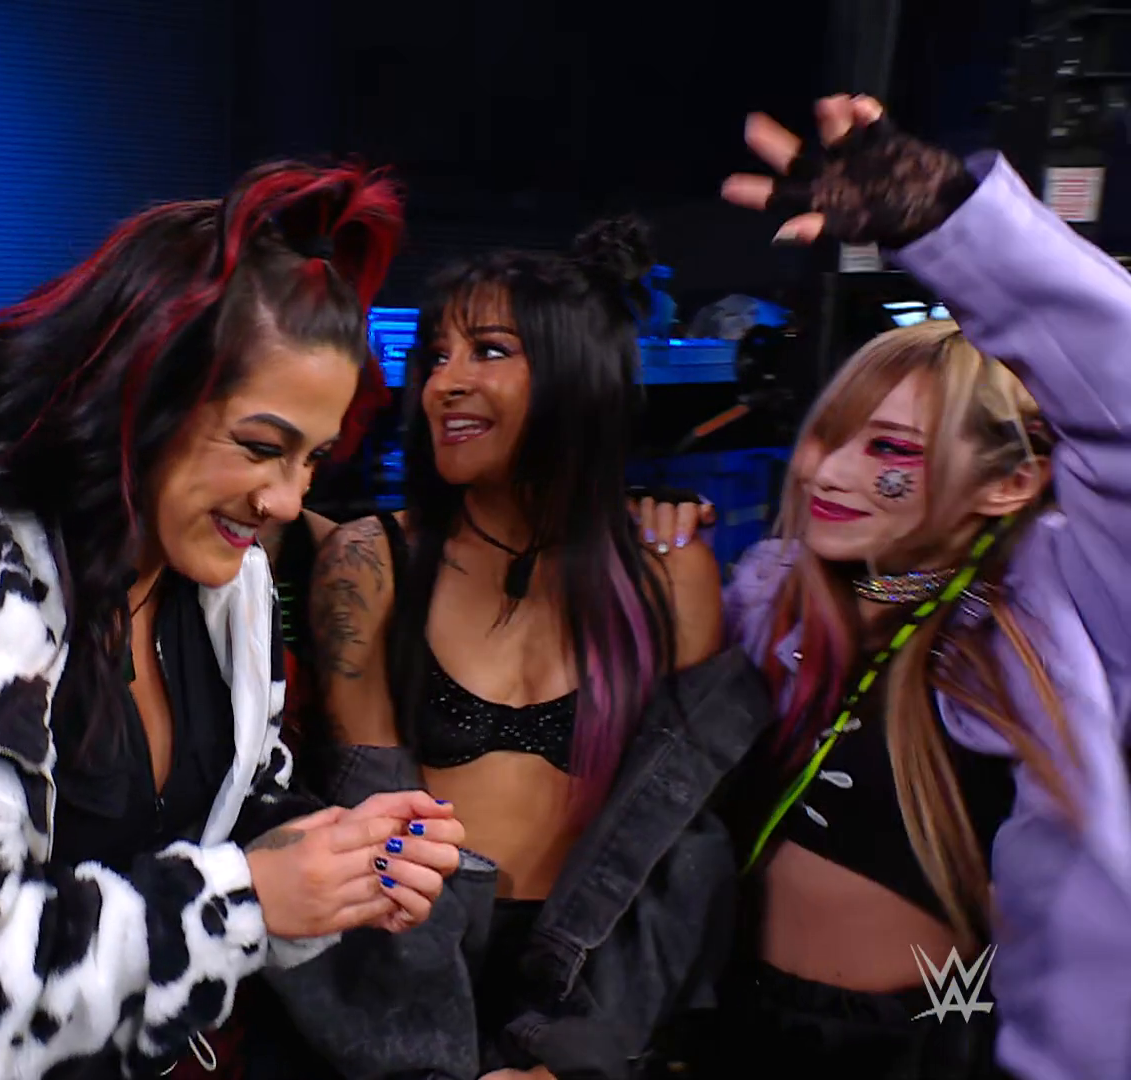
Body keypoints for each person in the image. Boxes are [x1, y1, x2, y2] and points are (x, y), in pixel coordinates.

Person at [0, 161, 466, 1080]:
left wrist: (339, 855)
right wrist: (248, 903)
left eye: (314, 459)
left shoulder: (229, 584)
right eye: (261, 447)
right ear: (144, 395)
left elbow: (234, 805)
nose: (288, 500)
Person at [643, 94, 1131, 1080]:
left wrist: (948, 220)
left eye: (891, 450)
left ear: (1012, 482)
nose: (827, 471)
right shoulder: (772, 606)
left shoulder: (1067, 612)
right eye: (827, 433)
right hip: (729, 1031)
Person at [292, 218, 772, 1080]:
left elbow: (680, 847)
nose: (445, 383)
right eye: (436, 357)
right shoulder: (370, 562)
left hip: (594, 984)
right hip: (404, 973)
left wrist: (572, 1058)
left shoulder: (670, 572)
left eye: (489, 351)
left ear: (574, 374)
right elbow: (370, 823)